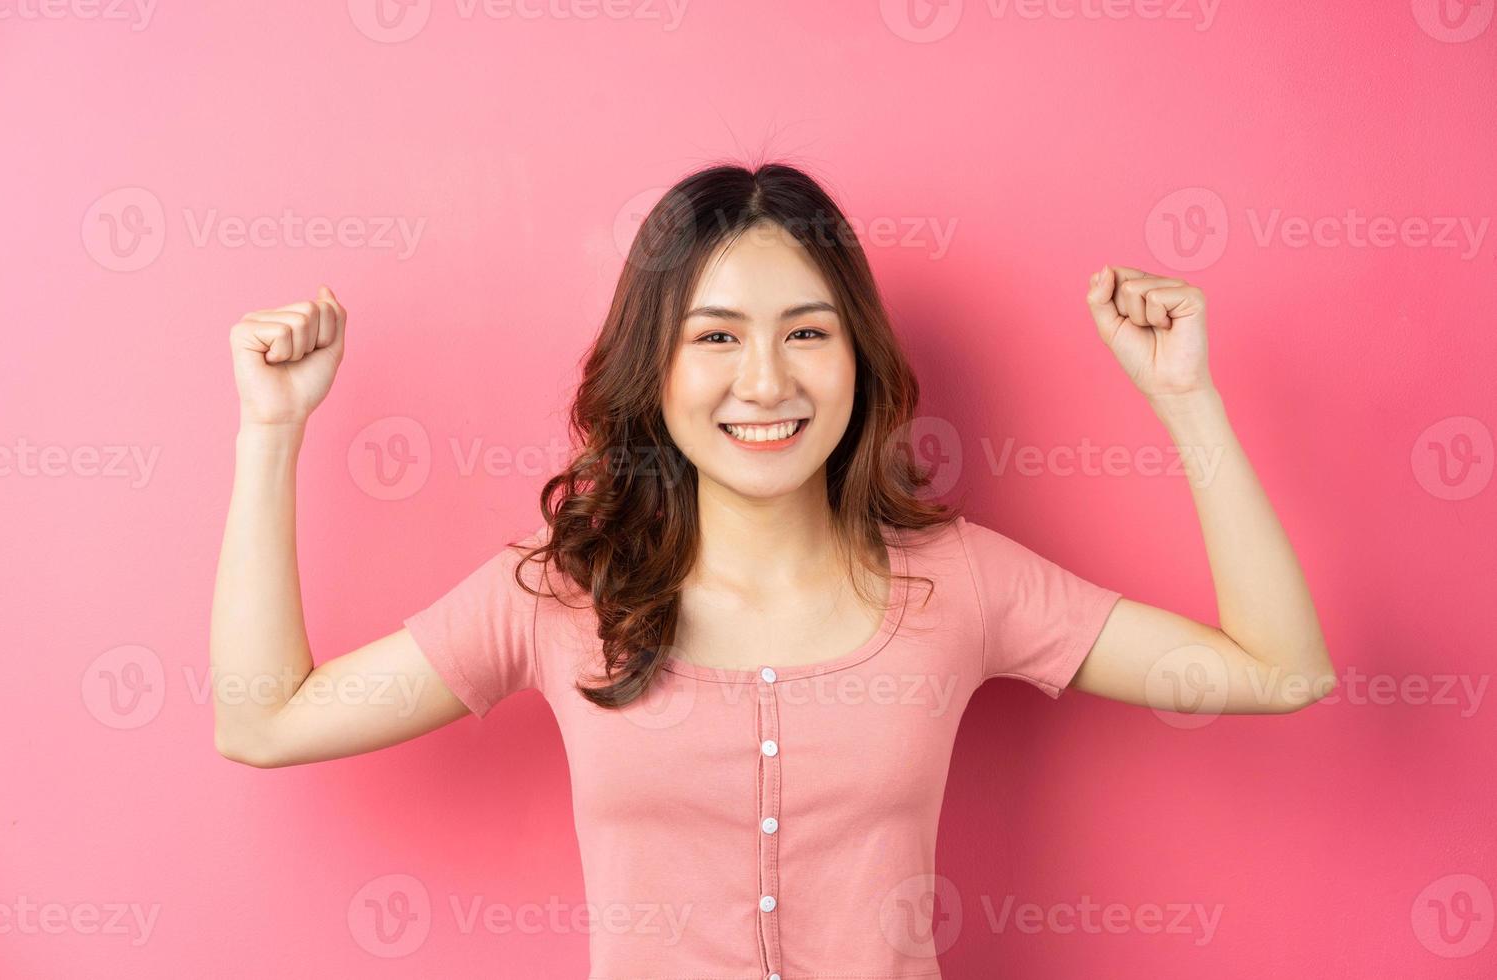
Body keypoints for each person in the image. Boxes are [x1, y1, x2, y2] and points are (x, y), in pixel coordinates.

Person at [210, 162, 1336, 977]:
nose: (764, 381)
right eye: (714, 336)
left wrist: (1186, 400)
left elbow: (1279, 670)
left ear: (857, 357)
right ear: (651, 370)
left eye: (805, 332)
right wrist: (272, 433)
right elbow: (263, 721)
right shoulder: (558, 594)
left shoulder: (962, 583)